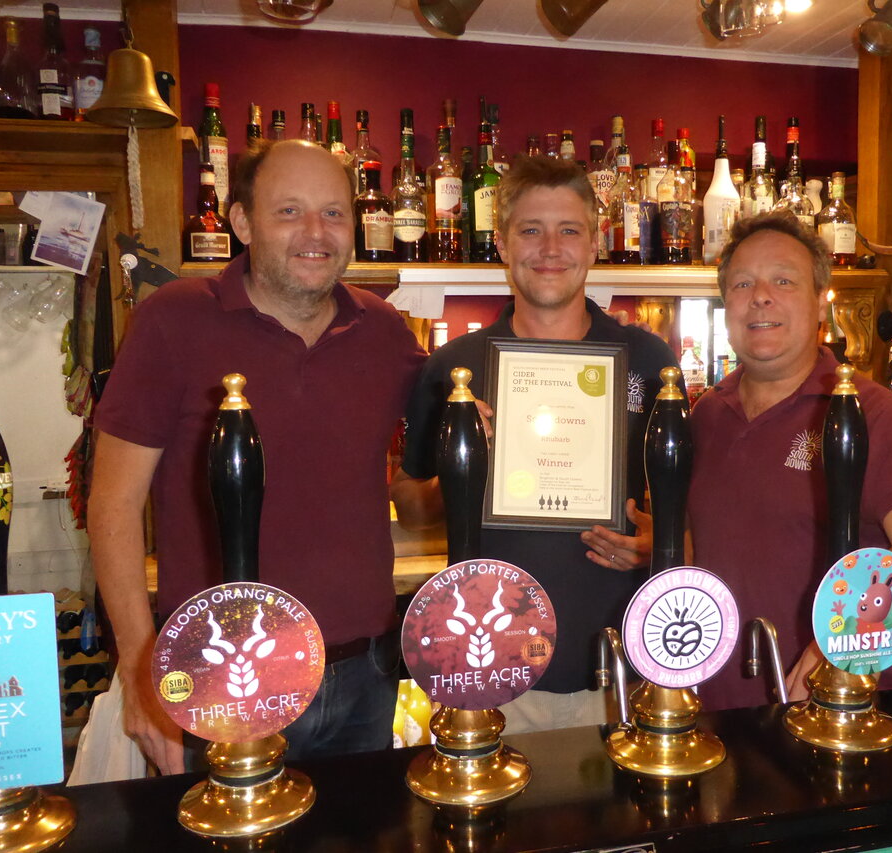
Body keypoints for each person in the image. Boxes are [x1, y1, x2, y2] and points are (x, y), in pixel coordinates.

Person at [88, 140, 425, 773]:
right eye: (289, 211)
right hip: (224, 678)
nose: (315, 233)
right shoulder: (172, 322)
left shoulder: (385, 333)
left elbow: (422, 472)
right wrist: (139, 668)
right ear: (241, 222)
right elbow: (113, 503)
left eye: (333, 213)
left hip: (366, 676)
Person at [392, 155, 679, 734]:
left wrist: (662, 541)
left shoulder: (650, 362)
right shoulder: (454, 370)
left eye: (569, 230)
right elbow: (414, 506)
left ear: (595, 243)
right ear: (501, 243)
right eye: (530, 230)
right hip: (489, 667)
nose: (550, 248)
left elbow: (685, 502)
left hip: (622, 661)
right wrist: (463, 464)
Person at [688, 211, 892, 712]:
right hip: (718, 714)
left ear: (820, 302)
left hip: (841, 710)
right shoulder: (707, 414)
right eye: (742, 283)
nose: (761, 296)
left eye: (784, 281)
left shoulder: (869, 412)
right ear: (724, 305)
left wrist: (845, 644)